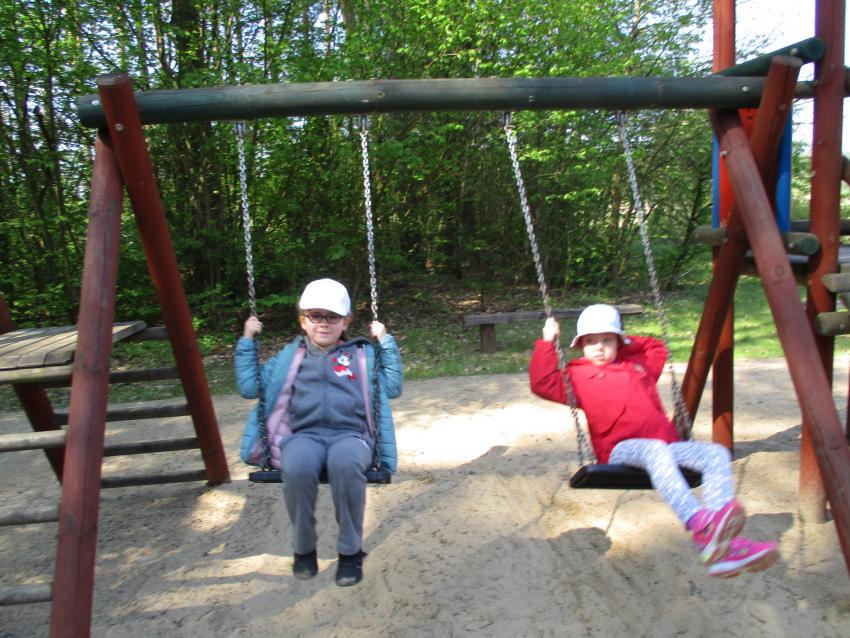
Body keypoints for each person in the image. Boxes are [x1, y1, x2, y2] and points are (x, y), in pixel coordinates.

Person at [529, 303, 778, 578]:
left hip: (665, 448)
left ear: (619, 342)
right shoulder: (577, 375)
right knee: (656, 450)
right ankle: (699, 522)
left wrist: (625, 343)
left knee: (715, 454)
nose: (599, 347)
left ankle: (723, 546)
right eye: (590, 341)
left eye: (607, 340)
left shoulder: (638, 367)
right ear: (580, 345)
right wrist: (547, 342)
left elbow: (655, 347)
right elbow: (542, 382)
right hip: (619, 450)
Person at [236, 278, 403, 586]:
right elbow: (249, 387)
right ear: (303, 320)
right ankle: (303, 548)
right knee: (297, 466)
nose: (323, 323)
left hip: (351, 436)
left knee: (346, 464)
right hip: (304, 435)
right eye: (315, 316)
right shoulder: (289, 357)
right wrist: (248, 339)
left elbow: (392, 387)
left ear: (346, 322)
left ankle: (350, 552)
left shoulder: (361, 355)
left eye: (332, 317)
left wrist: (385, 341)